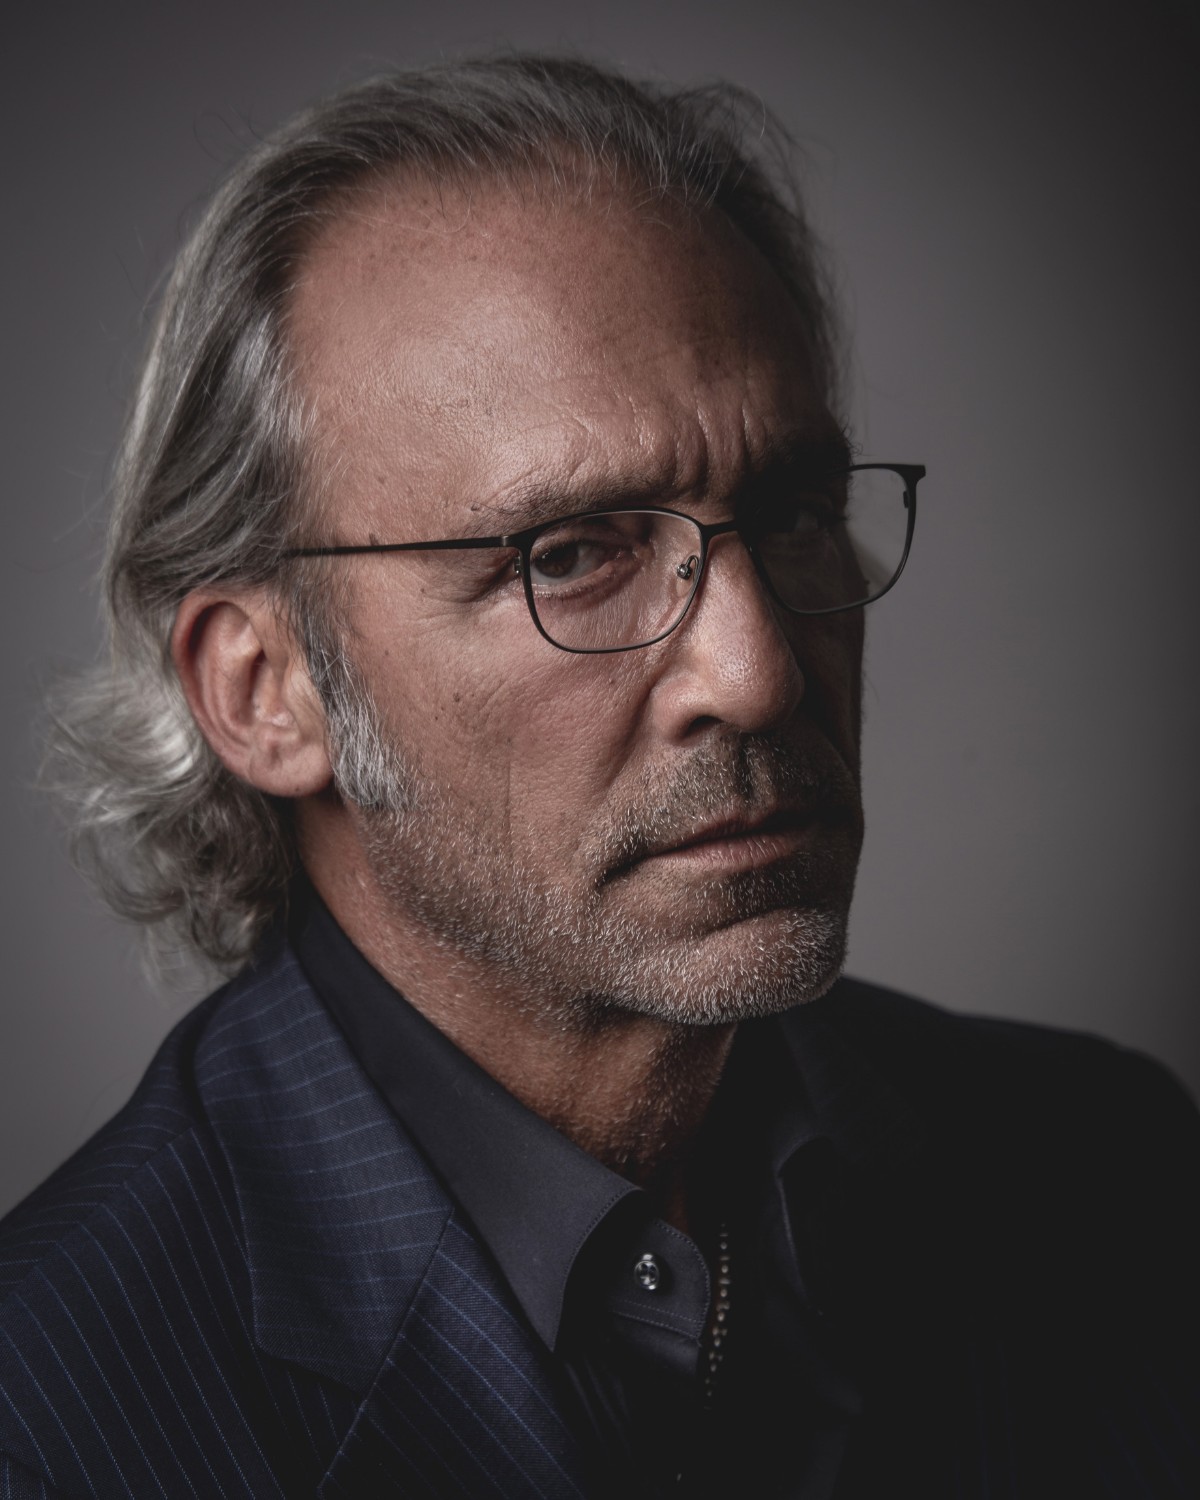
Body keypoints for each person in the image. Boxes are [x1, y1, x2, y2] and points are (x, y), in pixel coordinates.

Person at [0, 54, 1195, 1500]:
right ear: (265, 692)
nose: (757, 671)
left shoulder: (1117, 1166)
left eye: (794, 509)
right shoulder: (51, 1415)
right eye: (570, 554)